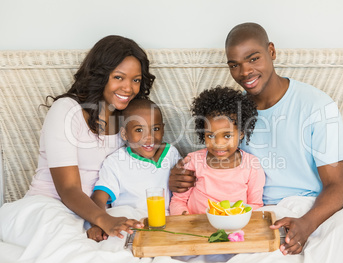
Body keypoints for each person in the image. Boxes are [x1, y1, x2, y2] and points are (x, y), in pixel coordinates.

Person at [169, 23, 343, 255]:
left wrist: (306, 223)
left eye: (254, 58)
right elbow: (213, 164)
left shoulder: (317, 105)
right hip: (254, 214)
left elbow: (338, 186)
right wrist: (179, 178)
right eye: (234, 65)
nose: (244, 72)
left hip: (311, 210)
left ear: (272, 52)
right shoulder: (233, 115)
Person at [0, 35, 156, 243]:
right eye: (119, 77)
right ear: (101, 75)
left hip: (99, 213)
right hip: (52, 206)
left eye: (135, 80)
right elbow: (68, 189)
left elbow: (141, 165)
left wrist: (175, 174)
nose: (128, 88)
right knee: (69, 248)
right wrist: (103, 220)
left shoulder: (128, 119)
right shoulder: (66, 111)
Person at [87, 98, 180, 241]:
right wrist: (98, 223)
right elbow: (99, 198)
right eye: (139, 130)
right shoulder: (116, 162)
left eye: (155, 129)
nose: (149, 137)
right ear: (124, 134)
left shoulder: (171, 153)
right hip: (131, 223)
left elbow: (185, 184)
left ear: (163, 128)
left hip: (165, 224)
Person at [169, 86, 265, 215]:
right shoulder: (193, 161)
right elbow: (178, 201)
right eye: (211, 135)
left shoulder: (252, 165)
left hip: (234, 227)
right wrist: (185, 218)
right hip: (194, 226)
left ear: (241, 133)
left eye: (227, 136)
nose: (218, 144)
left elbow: (255, 205)